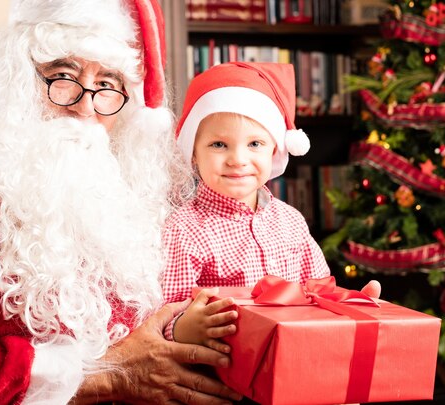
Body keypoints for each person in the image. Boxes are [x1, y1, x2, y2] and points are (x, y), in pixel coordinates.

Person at [0, 0, 243, 403]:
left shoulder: (140, 186)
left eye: (109, 83)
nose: (84, 107)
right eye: (63, 75)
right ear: (12, 79)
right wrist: (108, 376)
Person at [161, 62, 380, 350]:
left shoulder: (291, 222)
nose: (237, 159)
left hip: (295, 359)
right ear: (193, 154)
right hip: (225, 372)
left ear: (275, 149)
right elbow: (164, 316)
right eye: (218, 145)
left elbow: (318, 291)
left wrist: (347, 305)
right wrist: (184, 328)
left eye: (254, 144)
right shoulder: (184, 230)